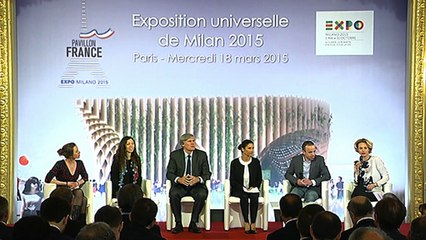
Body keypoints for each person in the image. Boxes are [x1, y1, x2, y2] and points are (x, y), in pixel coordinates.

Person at [166, 133, 212, 234]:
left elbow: (207, 173)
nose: (193, 143)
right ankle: (178, 223)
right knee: (173, 194)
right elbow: (169, 173)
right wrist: (179, 179)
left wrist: (198, 179)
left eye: (193, 141)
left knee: (202, 194)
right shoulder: (175, 155)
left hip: (196, 186)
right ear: (183, 144)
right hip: (180, 186)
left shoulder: (202, 155)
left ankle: (193, 223)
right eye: (189, 141)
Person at [45, 142, 89, 223]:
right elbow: (48, 178)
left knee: (81, 196)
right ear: (70, 154)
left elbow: (85, 177)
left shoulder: (79, 163)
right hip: (62, 191)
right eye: (76, 151)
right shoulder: (60, 164)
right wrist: (66, 183)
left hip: (74, 190)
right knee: (83, 199)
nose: (79, 152)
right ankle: (77, 223)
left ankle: (74, 220)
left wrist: (77, 183)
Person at [229, 139, 262, 234]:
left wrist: (253, 186)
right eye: (249, 148)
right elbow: (233, 180)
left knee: (254, 197)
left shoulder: (256, 162)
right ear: (243, 149)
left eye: (253, 148)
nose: (252, 150)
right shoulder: (235, 163)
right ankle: (246, 222)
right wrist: (242, 188)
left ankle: (253, 223)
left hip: (252, 189)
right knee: (243, 196)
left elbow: (259, 178)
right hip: (239, 189)